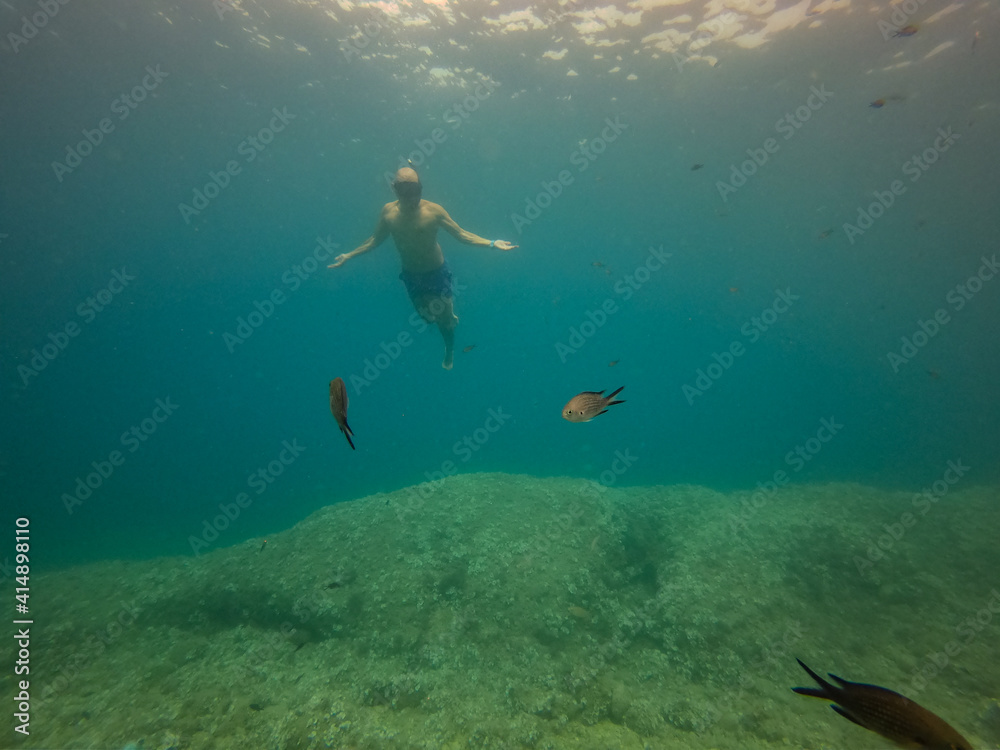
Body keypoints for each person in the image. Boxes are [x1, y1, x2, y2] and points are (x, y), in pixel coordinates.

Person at [329, 167, 518, 369]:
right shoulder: (388, 213)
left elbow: (461, 235)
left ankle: (449, 348)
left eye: (416, 189)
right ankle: (445, 312)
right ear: (395, 190)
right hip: (411, 275)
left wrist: (491, 243)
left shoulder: (433, 211)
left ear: (420, 188)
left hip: (437, 273)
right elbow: (375, 240)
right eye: (406, 191)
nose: (412, 197)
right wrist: (349, 255)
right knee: (426, 319)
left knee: (444, 322)